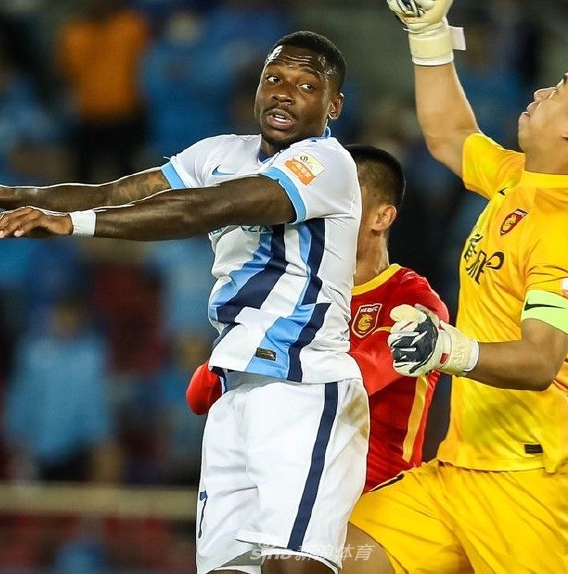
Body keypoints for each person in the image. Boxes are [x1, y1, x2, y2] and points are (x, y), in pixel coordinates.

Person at [0, 30, 368, 574]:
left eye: (307, 85)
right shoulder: (220, 153)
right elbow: (114, 193)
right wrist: (8, 193)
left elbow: (201, 209)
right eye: (274, 78)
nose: (284, 92)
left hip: (302, 386)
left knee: (295, 567)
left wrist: (70, 225)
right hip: (235, 388)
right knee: (228, 569)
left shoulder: (327, 163)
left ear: (333, 106)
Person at [342, 0, 568, 573]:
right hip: (457, 471)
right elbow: (449, 135)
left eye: (557, 90)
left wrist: (447, 349)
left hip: (530, 486)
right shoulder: (521, 181)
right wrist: (429, 33)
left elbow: (541, 360)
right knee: (334, 559)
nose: (539, 92)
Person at [186, 144, 450, 492]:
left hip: (378, 499)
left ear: (381, 218)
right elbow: (199, 394)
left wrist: (252, 357)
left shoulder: (414, 301)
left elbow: (350, 381)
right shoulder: (294, 288)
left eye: (342, 199)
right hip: (295, 491)